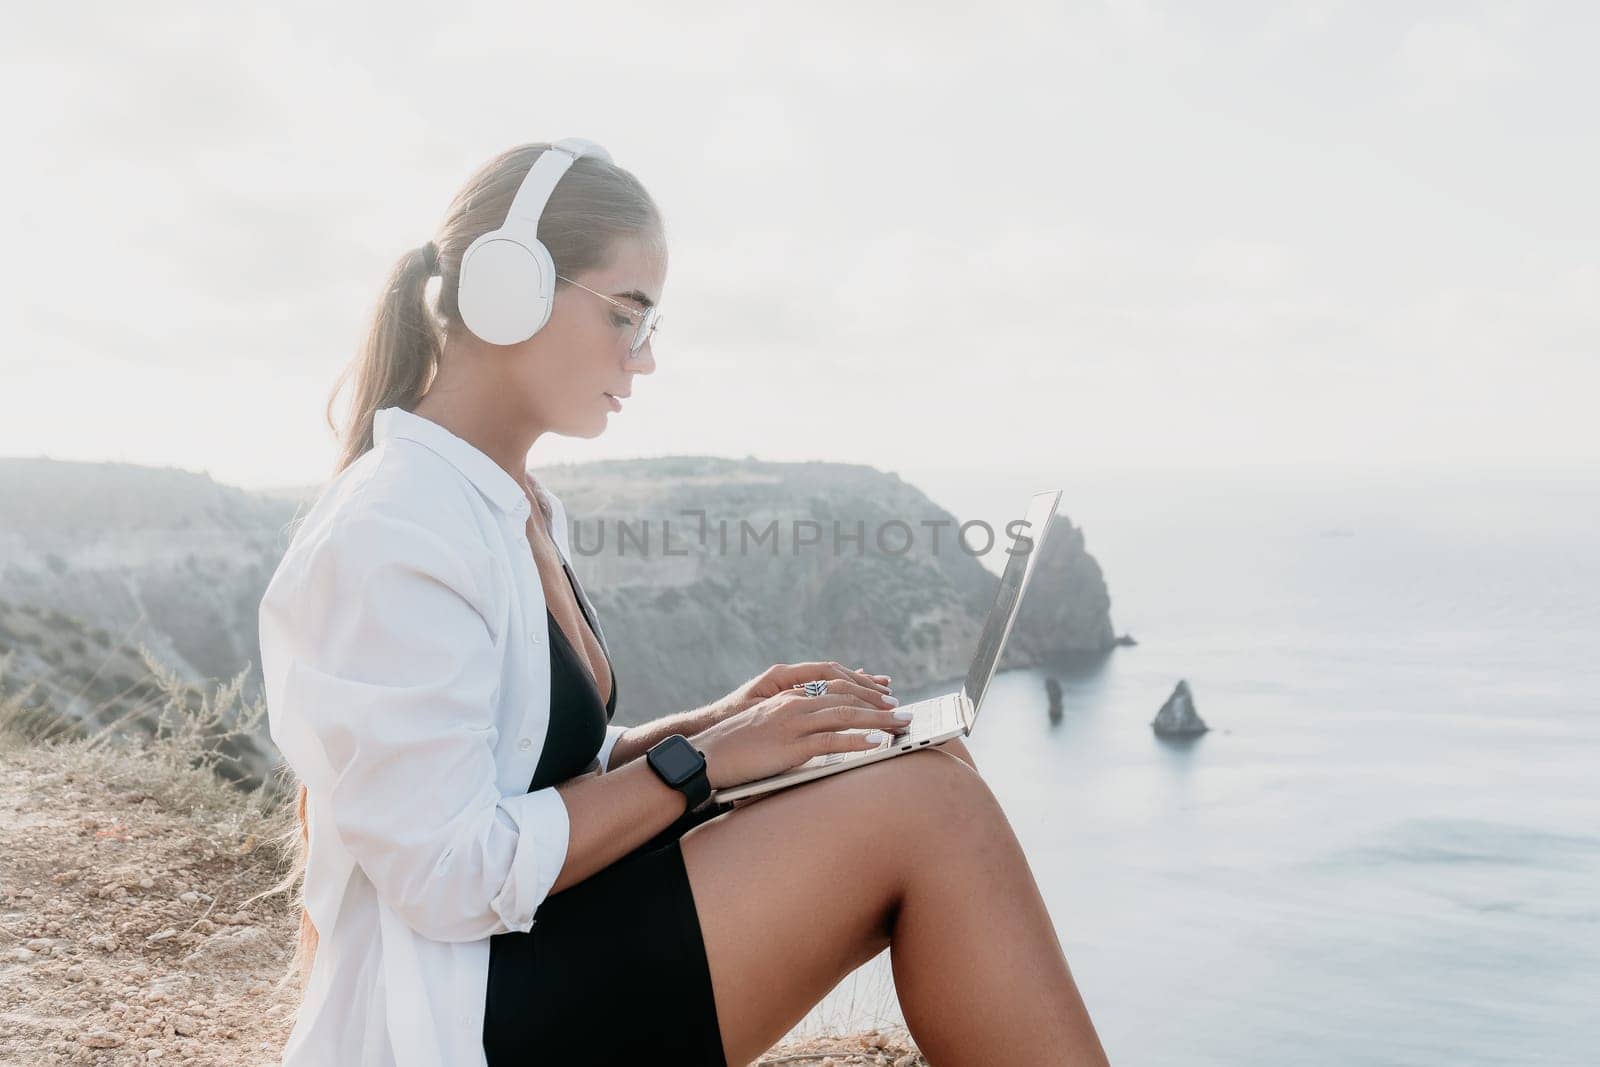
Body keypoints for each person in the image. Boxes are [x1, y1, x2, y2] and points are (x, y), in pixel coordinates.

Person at [258, 141, 1108, 1067]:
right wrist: (698, 764)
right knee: (929, 813)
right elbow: (451, 872)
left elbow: (530, 779)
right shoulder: (397, 526)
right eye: (627, 314)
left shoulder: (512, 506)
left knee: (937, 775)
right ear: (510, 289)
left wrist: (723, 724)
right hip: (457, 1021)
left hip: (519, 959)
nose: (647, 356)